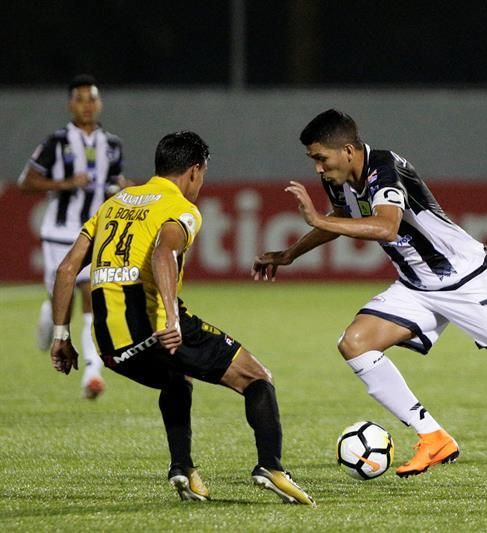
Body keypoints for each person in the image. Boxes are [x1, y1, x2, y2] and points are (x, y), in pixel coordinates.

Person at [253, 109, 487, 494]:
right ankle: (433, 437)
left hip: (465, 280)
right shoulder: (341, 179)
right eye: (313, 160)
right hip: (417, 286)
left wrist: (317, 220)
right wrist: (290, 254)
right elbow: (342, 215)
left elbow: (386, 225)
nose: (318, 169)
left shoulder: (383, 168)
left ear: (350, 150)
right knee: (355, 343)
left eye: (321, 158)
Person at [50, 131, 315, 505]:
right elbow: (163, 254)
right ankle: (271, 467)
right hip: (155, 327)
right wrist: (172, 319)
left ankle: (183, 469)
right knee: (257, 378)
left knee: (177, 378)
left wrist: (61, 336)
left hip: (110, 344)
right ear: (194, 170)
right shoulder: (180, 209)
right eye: (203, 173)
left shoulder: (113, 204)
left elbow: (66, 270)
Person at [19, 74, 129, 400]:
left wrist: (127, 191)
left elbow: (115, 181)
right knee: (60, 302)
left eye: (92, 98)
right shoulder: (56, 143)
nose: (87, 105)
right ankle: (47, 312)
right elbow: (27, 182)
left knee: (92, 297)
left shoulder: (112, 144)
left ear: (99, 103)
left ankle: (92, 373)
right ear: (71, 104)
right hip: (58, 234)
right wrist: (66, 184)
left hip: (94, 234)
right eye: (80, 99)